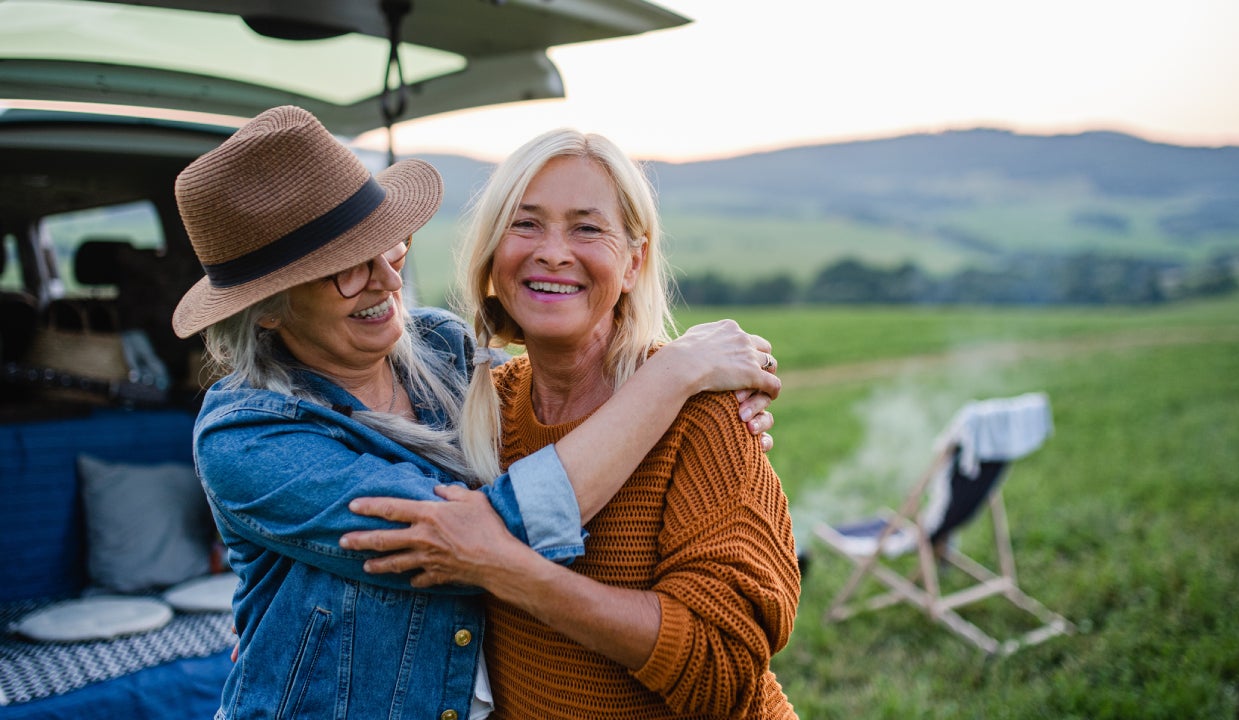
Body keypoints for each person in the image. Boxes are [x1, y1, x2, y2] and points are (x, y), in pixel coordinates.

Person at [170, 106, 782, 720]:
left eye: (389, 246)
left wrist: (691, 381)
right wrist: (671, 376)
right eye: (345, 267)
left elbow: (722, 663)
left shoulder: (447, 352)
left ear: (635, 260)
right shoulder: (248, 437)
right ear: (267, 309)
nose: (387, 280)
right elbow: (482, 540)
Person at [344, 129, 801, 719]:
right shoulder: (479, 406)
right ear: (490, 255)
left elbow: (724, 667)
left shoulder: (701, 407)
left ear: (634, 262)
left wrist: (512, 572)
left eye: (587, 228)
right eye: (525, 224)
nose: (554, 252)